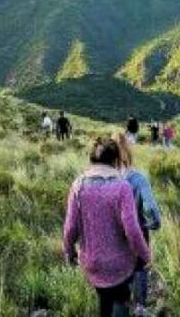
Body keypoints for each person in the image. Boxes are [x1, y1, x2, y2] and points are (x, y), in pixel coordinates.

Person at [64, 138, 151, 317]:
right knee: (121, 299)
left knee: (104, 298)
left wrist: (69, 252)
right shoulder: (122, 187)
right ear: (116, 160)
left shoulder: (78, 186)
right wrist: (145, 255)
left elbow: (70, 227)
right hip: (121, 264)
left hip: (92, 263)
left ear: (91, 160)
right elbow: (132, 230)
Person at [111, 132, 163, 315]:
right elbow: (152, 213)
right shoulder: (139, 179)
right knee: (139, 299)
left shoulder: (104, 180)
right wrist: (152, 225)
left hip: (111, 244)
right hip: (137, 240)